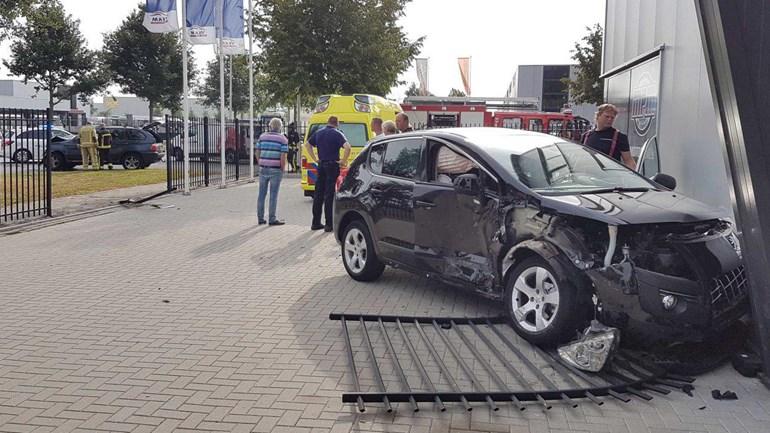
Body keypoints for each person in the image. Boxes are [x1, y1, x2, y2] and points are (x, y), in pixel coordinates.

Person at [305, 116, 351, 232]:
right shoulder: (337, 133)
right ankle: (329, 224)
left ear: (328, 122)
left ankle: (315, 223)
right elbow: (347, 147)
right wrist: (343, 161)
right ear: (337, 123)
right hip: (332, 165)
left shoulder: (319, 132)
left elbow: (307, 145)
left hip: (321, 165)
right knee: (329, 195)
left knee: (318, 194)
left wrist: (315, 159)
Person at [581, 104, 636, 170]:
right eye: (607, 116)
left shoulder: (619, 137)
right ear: (598, 116)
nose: (610, 119)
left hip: (609, 176)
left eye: (612, 117)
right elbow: (580, 158)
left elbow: (629, 161)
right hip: (588, 175)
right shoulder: (586, 136)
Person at [256, 117, 289, 226]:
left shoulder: (262, 137)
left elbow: (257, 152)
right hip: (276, 169)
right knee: (273, 195)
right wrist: (282, 168)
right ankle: (272, 218)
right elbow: (283, 156)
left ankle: (260, 218)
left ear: (270, 126)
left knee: (261, 194)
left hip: (263, 168)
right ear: (280, 127)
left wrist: (260, 162)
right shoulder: (283, 139)